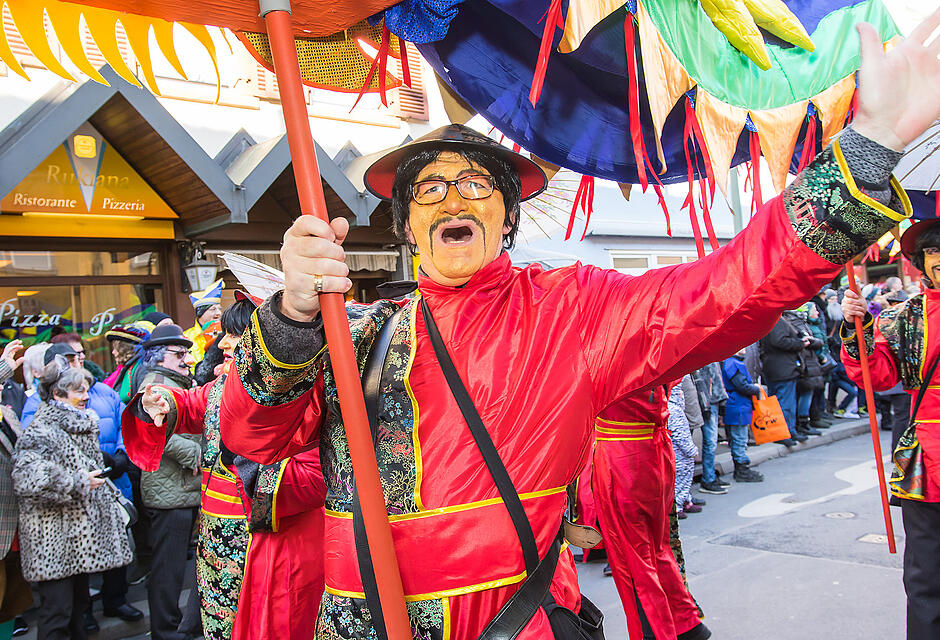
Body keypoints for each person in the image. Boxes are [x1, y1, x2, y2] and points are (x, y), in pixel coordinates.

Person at [217, 15, 936, 634]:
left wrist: (867, 148)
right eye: (427, 188)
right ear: (405, 224)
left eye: (475, 185)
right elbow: (252, 436)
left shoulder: (569, 309)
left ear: (507, 217)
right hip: (358, 621)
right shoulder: (356, 333)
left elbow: (727, 289)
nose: (449, 198)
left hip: (513, 618)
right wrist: (293, 315)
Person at [123, 295, 326, 640]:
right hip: (216, 537)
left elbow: (318, 477)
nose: (224, 343)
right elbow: (190, 403)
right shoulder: (224, 386)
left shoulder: (309, 393)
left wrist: (242, 458)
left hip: (269, 541)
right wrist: (157, 400)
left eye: (236, 334)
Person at [841, 213, 940, 639]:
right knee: (927, 576)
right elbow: (875, 375)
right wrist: (855, 326)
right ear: (922, 263)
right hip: (927, 463)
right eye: (934, 253)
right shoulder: (906, 316)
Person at [20, 338, 140, 626]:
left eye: (87, 389)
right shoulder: (42, 427)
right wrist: (77, 481)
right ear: (58, 395)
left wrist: (117, 459)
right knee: (58, 614)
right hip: (54, 539)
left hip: (78, 532)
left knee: (75, 610)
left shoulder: (81, 422)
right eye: (78, 391)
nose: (86, 396)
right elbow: (27, 478)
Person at [591, 389, 706, 640]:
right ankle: (685, 623)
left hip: (623, 457)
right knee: (658, 549)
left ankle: (656, 632)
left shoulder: (610, 355)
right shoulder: (653, 353)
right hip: (654, 451)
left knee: (633, 560)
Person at [134, 325, 202, 640]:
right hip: (169, 490)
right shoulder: (155, 384)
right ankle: (164, 630)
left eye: (186, 353)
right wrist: (196, 454)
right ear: (160, 357)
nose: (186, 359)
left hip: (180, 489)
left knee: (175, 566)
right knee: (168, 568)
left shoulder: (171, 381)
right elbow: (157, 432)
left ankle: (171, 626)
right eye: (179, 354)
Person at [721, 348, 764, 482]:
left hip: (738, 405)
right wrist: (757, 388)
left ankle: (742, 468)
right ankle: (742, 470)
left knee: (738, 438)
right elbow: (742, 386)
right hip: (737, 405)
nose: (744, 348)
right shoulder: (732, 363)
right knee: (739, 439)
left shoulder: (731, 362)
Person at [694, 362, 730, 495]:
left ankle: (710, 476)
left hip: (712, 400)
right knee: (710, 442)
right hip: (709, 401)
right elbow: (702, 382)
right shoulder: (704, 357)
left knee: (711, 442)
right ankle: (708, 478)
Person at [670, 379, 699, 518]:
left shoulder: (677, 408)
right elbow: (680, 434)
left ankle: (686, 500)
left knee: (685, 479)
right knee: (679, 480)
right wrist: (692, 450)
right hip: (680, 454)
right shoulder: (673, 410)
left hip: (683, 455)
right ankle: (677, 506)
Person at [103, 323, 151, 403]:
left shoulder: (142, 368)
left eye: (115, 348)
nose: (113, 352)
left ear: (125, 349)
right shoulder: (126, 368)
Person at [183, 280, 223, 366]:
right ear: (201, 312)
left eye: (220, 309)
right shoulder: (187, 337)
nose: (218, 313)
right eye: (213, 309)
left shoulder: (224, 334)